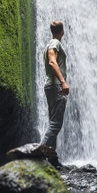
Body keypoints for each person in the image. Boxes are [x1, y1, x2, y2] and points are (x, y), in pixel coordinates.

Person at [41, 20, 69, 165]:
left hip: (51, 86)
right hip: (56, 85)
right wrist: (63, 82)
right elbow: (52, 61)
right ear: (62, 31)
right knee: (55, 124)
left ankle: (52, 158)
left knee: (54, 122)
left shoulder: (50, 43)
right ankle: (38, 155)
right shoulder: (54, 44)